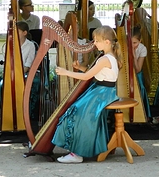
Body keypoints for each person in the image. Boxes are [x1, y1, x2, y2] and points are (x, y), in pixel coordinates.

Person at [52, 26, 122, 163]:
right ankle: (79, 149)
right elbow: (97, 72)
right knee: (76, 110)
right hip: (102, 91)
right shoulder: (108, 57)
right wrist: (80, 68)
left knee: (78, 113)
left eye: (97, 40)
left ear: (107, 42)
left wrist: (66, 72)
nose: (94, 43)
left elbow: (87, 77)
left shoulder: (105, 59)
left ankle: (77, 154)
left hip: (102, 93)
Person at [131, 25, 152, 122]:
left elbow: (138, 69)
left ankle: (143, 113)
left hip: (137, 73)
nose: (132, 45)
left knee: (141, 87)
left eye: (135, 43)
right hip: (126, 73)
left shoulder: (142, 49)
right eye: (130, 43)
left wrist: (134, 55)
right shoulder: (123, 46)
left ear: (140, 41)